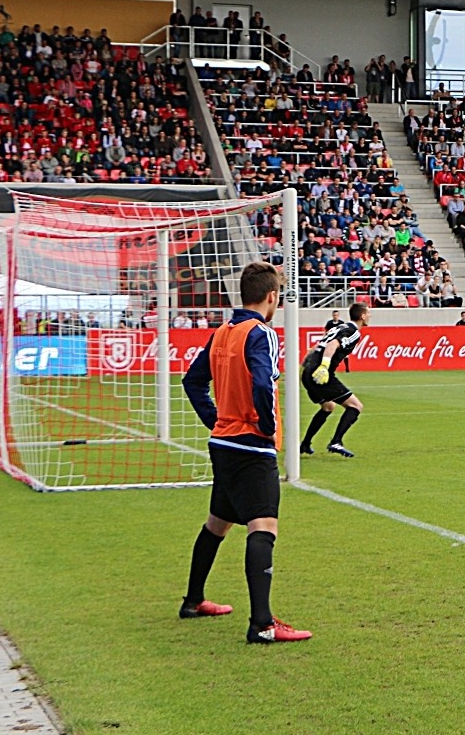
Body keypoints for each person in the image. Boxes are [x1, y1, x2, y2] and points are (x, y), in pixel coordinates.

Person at [179, 261, 311, 643]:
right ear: (272, 297)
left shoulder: (223, 331)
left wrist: (215, 419)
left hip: (223, 442)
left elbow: (192, 381)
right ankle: (262, 624)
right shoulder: (262, 333)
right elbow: (262, 383)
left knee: (217, 522)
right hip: (250, 444)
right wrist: (266, 429)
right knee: (264, 525)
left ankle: (193, 600)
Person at [300, 301, 370, 457]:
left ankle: (305, 444)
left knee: (328, 407)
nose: (370, 316)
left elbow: (318, 345)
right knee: (356, 406)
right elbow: (332, 344)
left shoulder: (340, 327)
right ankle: (336, 442)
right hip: (320, 374)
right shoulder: (353, 331)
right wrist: (324, 367)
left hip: (308, 372)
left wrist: (305, 369)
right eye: (368, 313)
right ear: (363, 316)